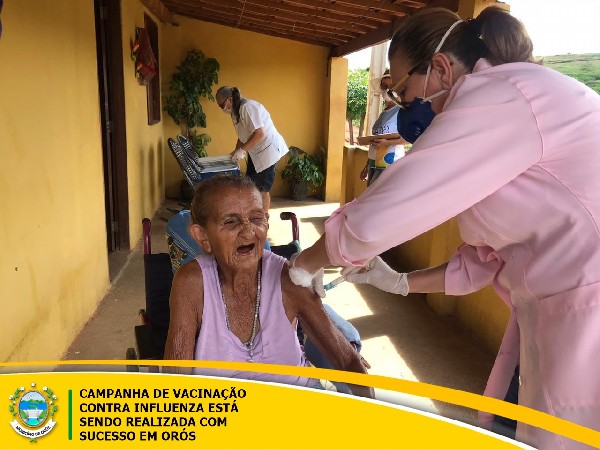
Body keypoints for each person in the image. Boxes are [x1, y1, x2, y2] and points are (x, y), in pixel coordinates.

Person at [288, 6, 600, 449]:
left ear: (440, 68)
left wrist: (305, 264)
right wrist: (399, 282)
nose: (402, 107)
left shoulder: (504, 96)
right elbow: (485, 260)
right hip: (557, 302)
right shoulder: (497, 114)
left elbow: (387, 209)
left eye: (403, 91)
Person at [163, 174, 374, 399]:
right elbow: (176, 376)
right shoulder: (192, 282)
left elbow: (346, 360)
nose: (248, 232)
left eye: (256, 218)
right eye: (231, 221)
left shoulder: (288, 278)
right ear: (202, 237)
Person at [215, 86, 289, 212]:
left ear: (230, 100)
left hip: (268, 151)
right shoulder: (235, 111)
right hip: (256, 152)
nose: (222, 109)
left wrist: (242, 151)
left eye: (222, 105)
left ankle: (264, 218)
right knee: (251, 186)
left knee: (262, 189)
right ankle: (253, 214)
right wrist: (236, 151)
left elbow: (260, 133)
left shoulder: (247, 107)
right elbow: (242, 135)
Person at [360, 70, 407, 186]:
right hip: (374, 163)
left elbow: (409, 138)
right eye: (384, 86)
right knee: (371, 195)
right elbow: (377, 140)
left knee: (374, 196)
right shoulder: (384, 113)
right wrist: (367, 165)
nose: (387, 89)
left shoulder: (402, 110)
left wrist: (387, 143)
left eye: (391, 86)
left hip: (389, 163)